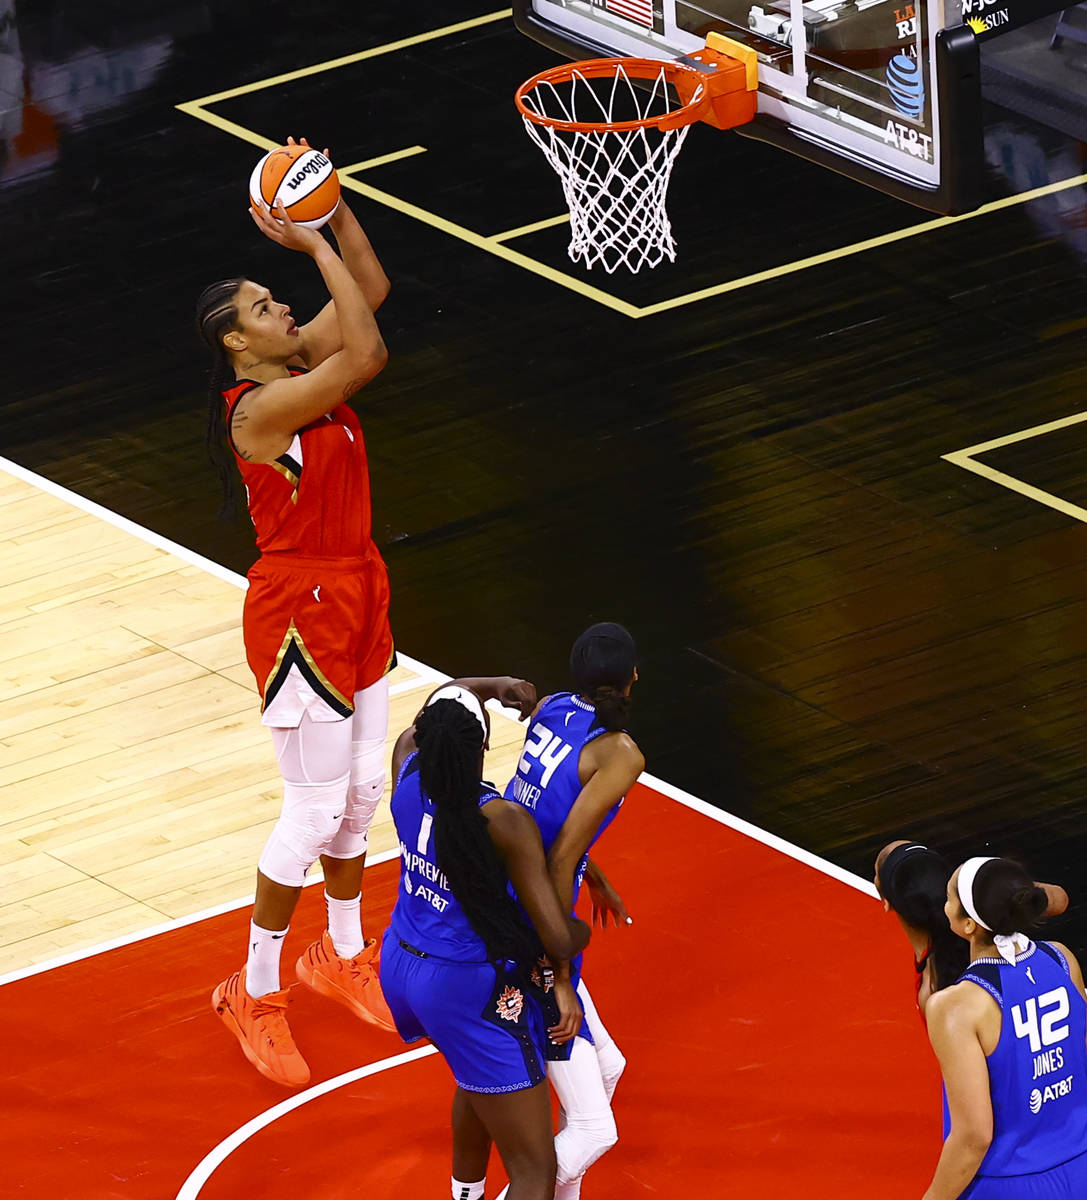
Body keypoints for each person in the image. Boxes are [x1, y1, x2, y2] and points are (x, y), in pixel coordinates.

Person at [200, 142, 395, 1088]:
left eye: (273, 298)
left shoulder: (296, 362)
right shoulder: (260, 410)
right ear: (237, 344)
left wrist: (335, 215)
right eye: (259, 307)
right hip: (297, 608)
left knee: (364, 795)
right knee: (313, 805)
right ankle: (255, 988)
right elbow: (368, 348)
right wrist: (309, 241)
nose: (279, 307)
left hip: (357, 582)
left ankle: (340, 953)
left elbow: (372, 284)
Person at [380, 677, 591, 1200]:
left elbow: (428, 718)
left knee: (475, 1078)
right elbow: (558, 938)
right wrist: (581, 926)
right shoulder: (502, 820)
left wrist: (485, 685)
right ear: (483, 750)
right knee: (533, 1170)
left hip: (401, 962)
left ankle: (465, 1196)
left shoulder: (406, 768)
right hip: (463, 984)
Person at [502, 621, 644, 1200]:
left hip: (510, 885)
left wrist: (598, 876)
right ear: (634, 677)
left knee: (609, 1070)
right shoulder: (621, 754)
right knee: (593, 1128)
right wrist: (557, 974)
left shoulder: (555, 706)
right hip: (531, 918)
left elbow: (539, 815)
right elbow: (561, 857)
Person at [921, 856, 1087, 1199]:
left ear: (967, 924)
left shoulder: (956, 1007)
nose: (945, 903)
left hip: (1012, 1184)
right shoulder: (1061, 959)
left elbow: (974, 1137)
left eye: (949, 898)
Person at [875, 840, 1069, 1019]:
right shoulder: (1059, 955)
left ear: (887, 903)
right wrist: (1001, 887)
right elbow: (1059, 900)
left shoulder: (934, 992)